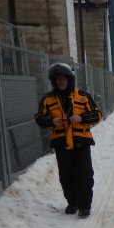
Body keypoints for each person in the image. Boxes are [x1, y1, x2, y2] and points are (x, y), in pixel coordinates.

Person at [34, 63, 102, 217]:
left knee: (84, 175)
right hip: (61, 144)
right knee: (66, 176)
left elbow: (97, 115)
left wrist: (82, 117)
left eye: (63, 79)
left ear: (69, 80)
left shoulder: (83, 96)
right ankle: (72, 202)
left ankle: (85, 206)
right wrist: (51, 121)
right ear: (54, 82)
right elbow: (38, 118)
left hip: (81, 142)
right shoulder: (47, 99)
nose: (61, 82)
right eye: (58, 80)